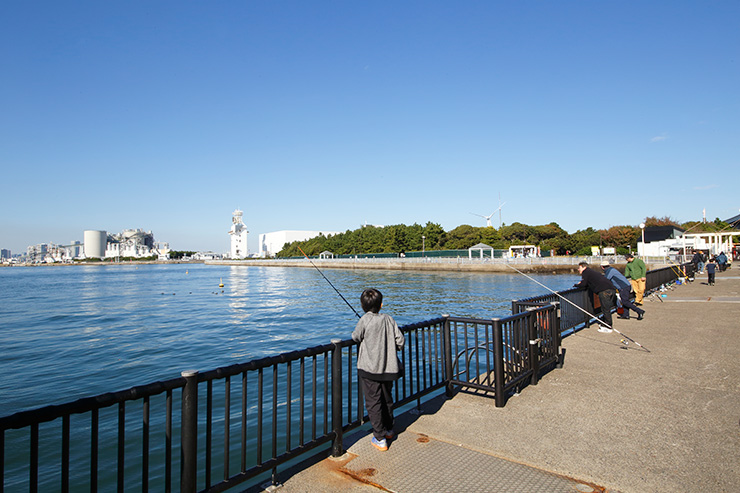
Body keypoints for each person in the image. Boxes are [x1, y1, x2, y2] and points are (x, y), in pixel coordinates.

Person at [352, 288, 405, 452]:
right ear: (381, 305)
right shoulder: (389, 319)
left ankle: (380, 437)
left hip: (369, 370)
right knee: (387, 399)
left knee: (373, 403)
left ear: (362, 306)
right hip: (389, 369)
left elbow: (355, 337)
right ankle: (389, 430)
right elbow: (400, 341)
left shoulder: (364, 320)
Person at [574, 262, 617, 332]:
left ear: (583, 267)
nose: (578, 269)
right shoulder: (592, 272)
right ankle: (605, 323)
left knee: (605, 308)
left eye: (579, 268)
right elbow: (589, 282)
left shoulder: (586, 272)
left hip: (604, 291)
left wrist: (576, 285)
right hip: (611, 289)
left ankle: (608, 326)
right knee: (607, 308)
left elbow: (584, 283)